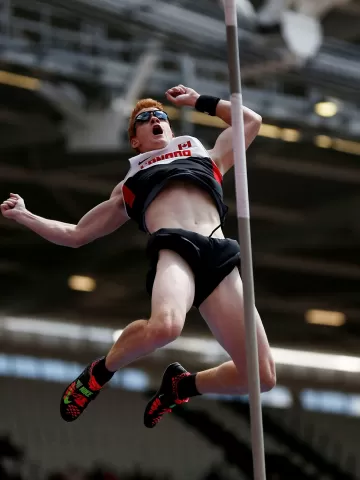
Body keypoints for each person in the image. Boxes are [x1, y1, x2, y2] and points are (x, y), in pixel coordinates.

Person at [0, 85, 276, 428]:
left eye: (161, 116)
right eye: (146, 118)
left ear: (171, 128)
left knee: (262, 377)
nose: (156, 119)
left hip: (219, 255)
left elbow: (249, 120)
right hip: (177, 249)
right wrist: (26, 216)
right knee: (166, 327)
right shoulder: (130, 183)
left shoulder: (206, 155)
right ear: (136, 140)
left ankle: (181, 386)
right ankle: (100, 372)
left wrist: (196, 101)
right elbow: (76, 235)